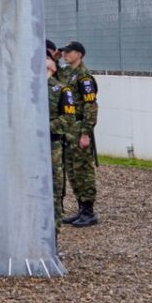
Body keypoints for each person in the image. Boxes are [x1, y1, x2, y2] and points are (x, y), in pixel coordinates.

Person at [59, 42, 100, 227]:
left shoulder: (84, 77)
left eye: (69, 52)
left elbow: (91, 106)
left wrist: (86, 132)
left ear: (79, 54)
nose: (65, 54)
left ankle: (88, 211)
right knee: (73, 170)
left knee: (83, 170)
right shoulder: (69, 73)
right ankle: (80, 208)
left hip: (79, 127)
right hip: (69, 129)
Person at [47, 53, 75, 222]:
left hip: (51, 145)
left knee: (53, 191)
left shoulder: (62, 91)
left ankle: (52, 238)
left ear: (52, 69)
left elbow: (69, 119)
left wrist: (44, 128)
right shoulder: (26, 89)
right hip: (28, 148)